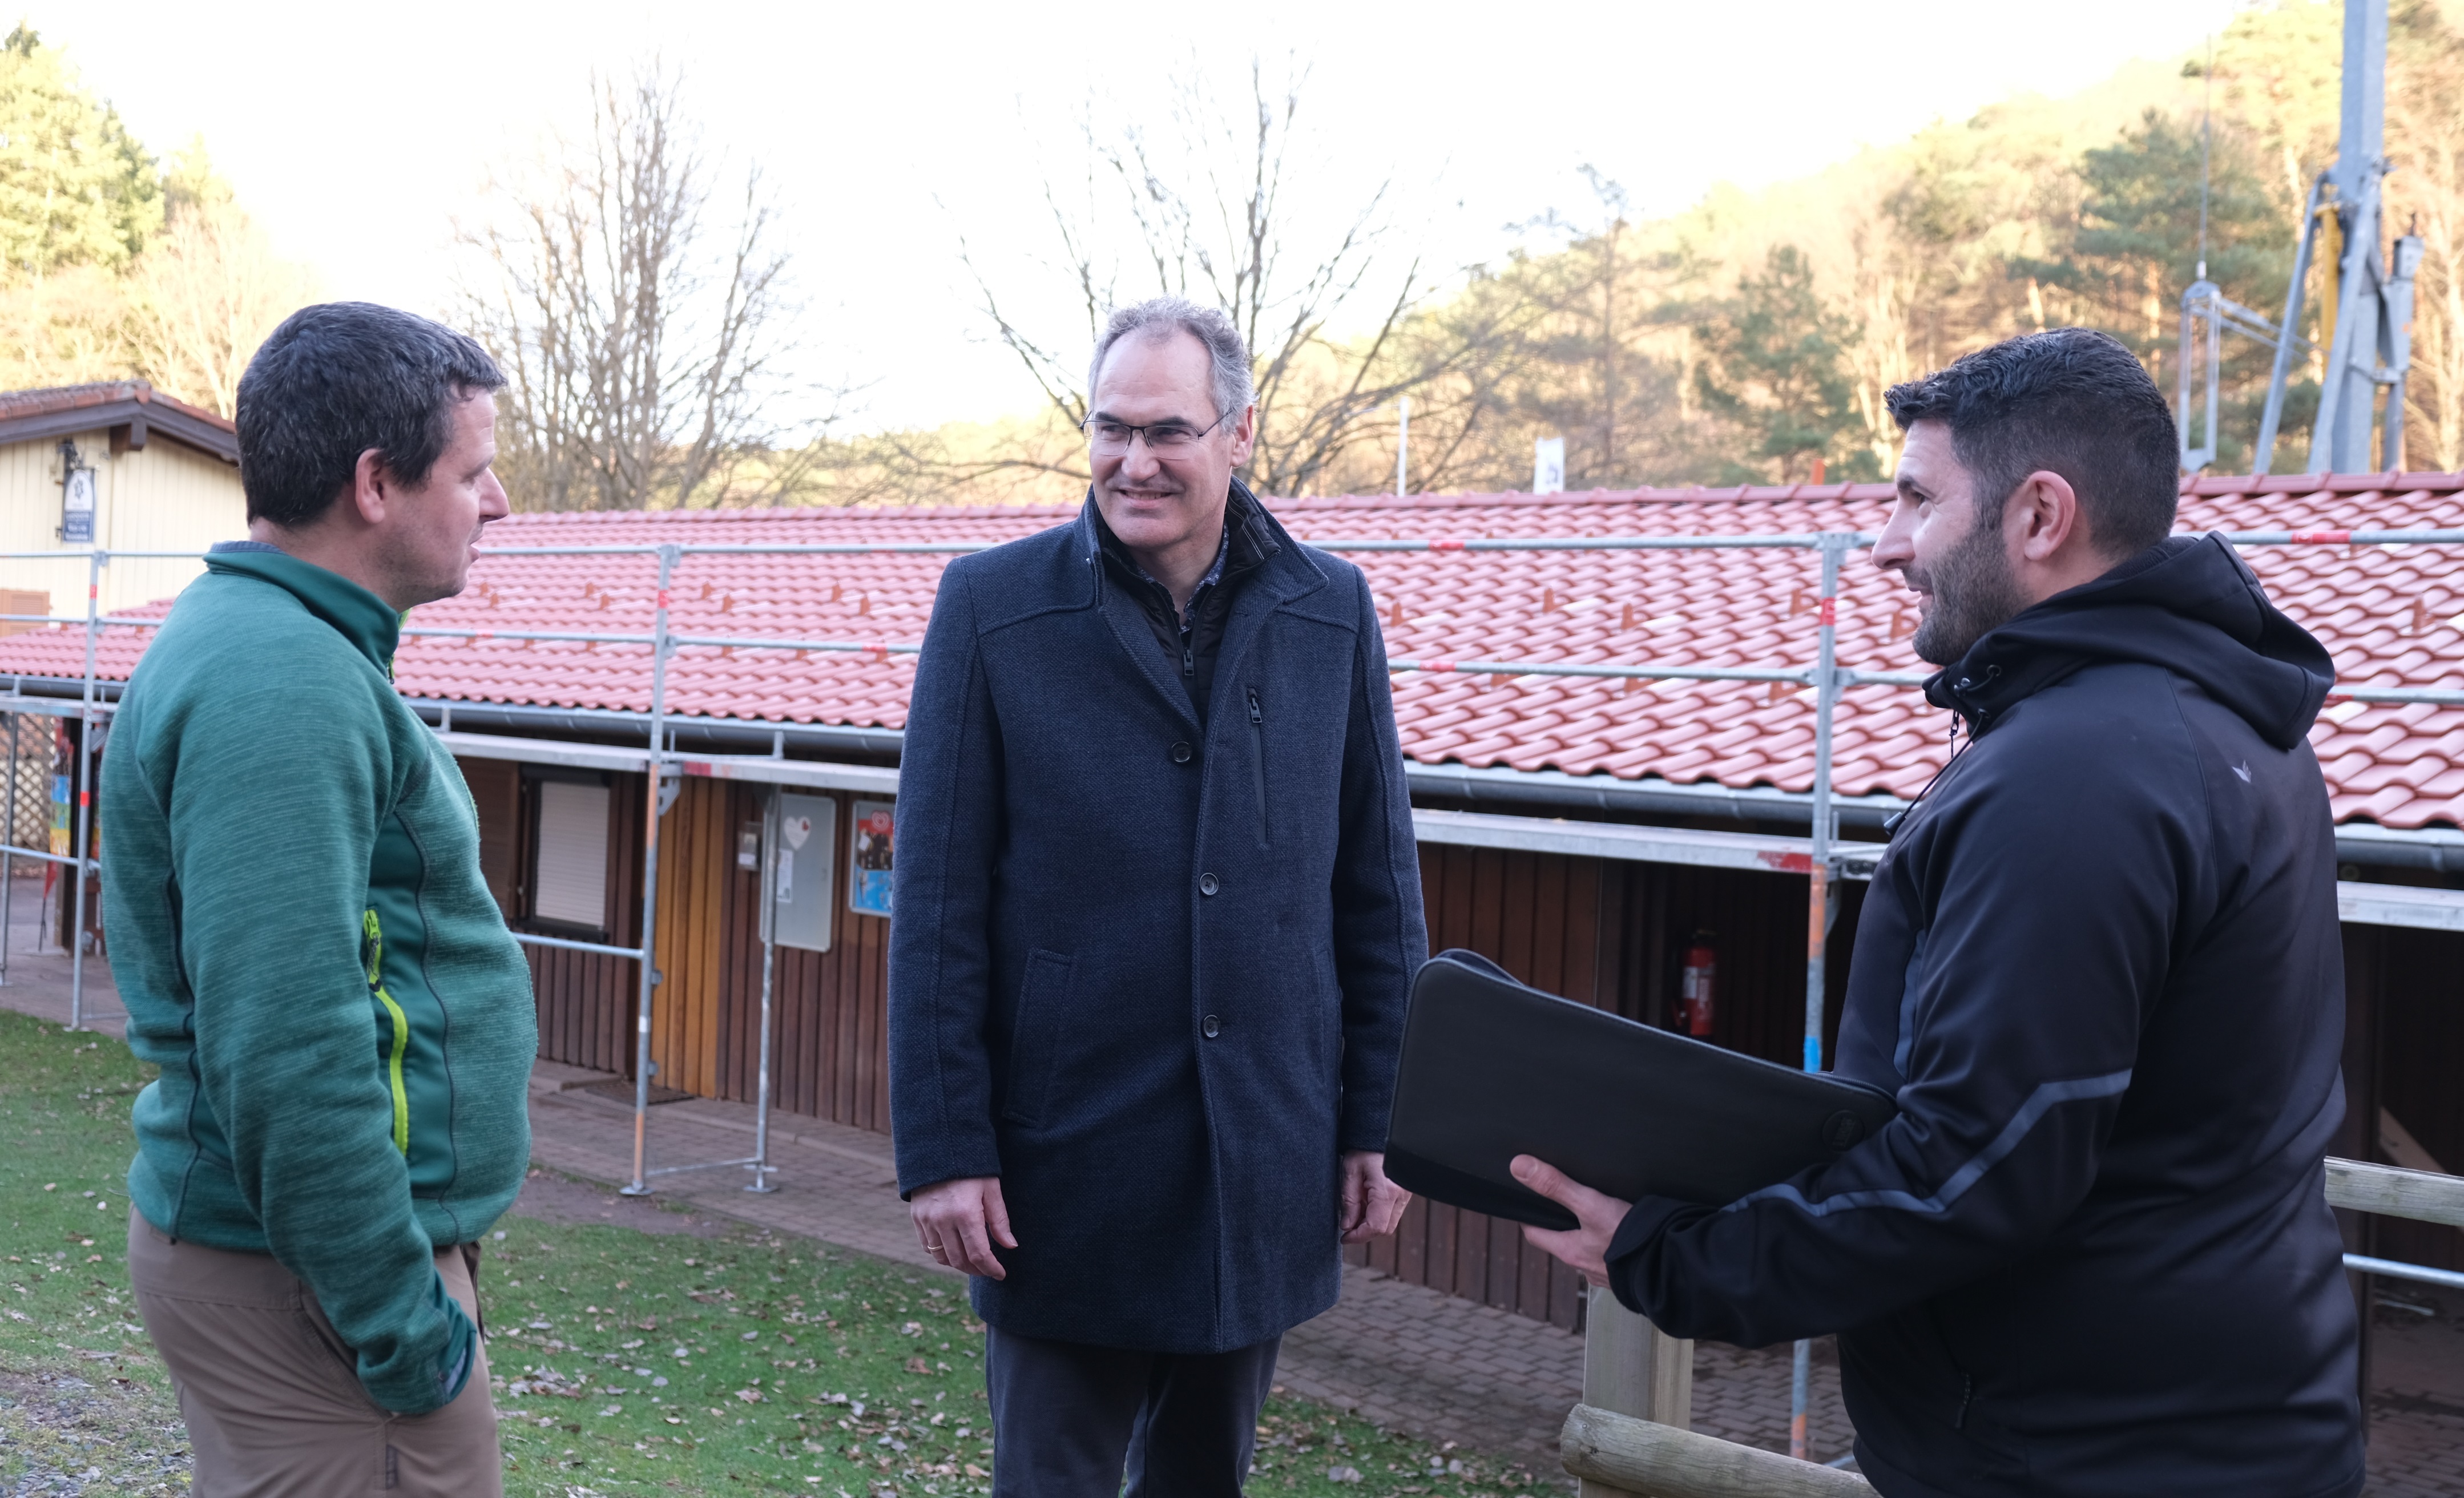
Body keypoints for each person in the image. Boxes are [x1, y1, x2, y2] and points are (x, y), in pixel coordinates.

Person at [1514, 329, 2364, 1497]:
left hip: (2080, 1454)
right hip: (2206, 1422)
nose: (1881, 543)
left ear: (2037, 515)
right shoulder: (2211, 724)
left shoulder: (2076, 777)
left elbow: (1977, 1163)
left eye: (1916, 497)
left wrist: (1673, 1255)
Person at [889, 296, 1428, 1495]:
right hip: (1060, 1166)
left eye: (1169, 431)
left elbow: (1377, 887)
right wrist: (942, 1147)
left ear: (1238, 435)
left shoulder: (1328, 607)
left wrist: (1380, 1117)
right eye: (1110, 428)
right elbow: (934, 906)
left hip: (1260, 1158)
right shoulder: (991, 606)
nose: (1134, 461)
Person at [106, 302, 532, 1496]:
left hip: (300, 1274)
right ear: (375, 484)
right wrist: (406, 1329)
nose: (495, 503)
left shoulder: (281, 645)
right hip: (320, 1294)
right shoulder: (278, 683)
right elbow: (286, 1040)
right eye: (474, 470)